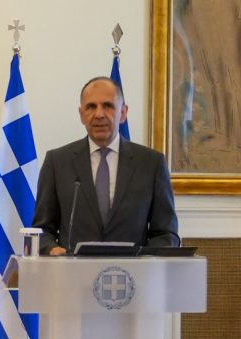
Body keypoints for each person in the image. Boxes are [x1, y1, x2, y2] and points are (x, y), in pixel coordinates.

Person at [31, 76, 179, 256]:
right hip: (73, 270)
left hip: (132, 271)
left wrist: (145, 258)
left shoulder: (151, 163)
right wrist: (51, 249)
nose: (99, 114)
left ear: (123, 113)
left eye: (108, 106)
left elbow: (166, 233)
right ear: (81, 115)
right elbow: (41, 231)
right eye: (91, 107)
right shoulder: (57, 162)